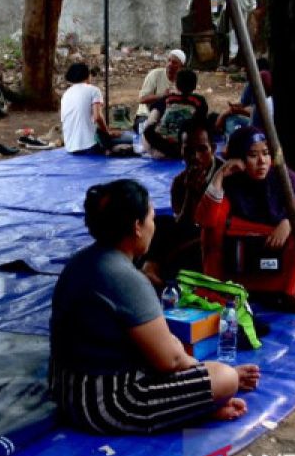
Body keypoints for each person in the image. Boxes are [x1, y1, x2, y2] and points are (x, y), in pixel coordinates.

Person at [50, 179, 259, 433]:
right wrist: (212, 383)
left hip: (65, 390)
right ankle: (201, 408)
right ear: (137, 227)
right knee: (224, 377)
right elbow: (169, 361)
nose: (154, 226)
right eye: (150, 218)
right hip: (104, 405)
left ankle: (201, 402)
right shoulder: (125, 278)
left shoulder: (81, 261)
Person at [196, 125, 295, 315]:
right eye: (252, 155)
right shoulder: (230, 182)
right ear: (239, 158)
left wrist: (292, 223)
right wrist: (219, 176)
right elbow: (206, 221)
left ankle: (287, 295)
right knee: (212, 230)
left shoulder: (286, 178)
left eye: (266, 153)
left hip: (278, 245)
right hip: (240, 253)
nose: (262, 162)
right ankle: (221, 291)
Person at [142, 118, 218, 289]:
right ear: (181, 150)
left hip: (215, 238)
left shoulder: (226, 175)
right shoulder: (180, 182)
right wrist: (191, 193)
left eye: (202, 149)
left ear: (213, 148)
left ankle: (155, 264)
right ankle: (151, 266)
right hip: (190, 234)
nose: (196, 157)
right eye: (189, 150)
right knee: (159, 223)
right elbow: (183, 225)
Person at [142, 69, 208, 160]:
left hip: (164, 144)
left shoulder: (168, 98)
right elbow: (202, 120)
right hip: (185, 145)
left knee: (148, 130)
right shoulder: (200, 100)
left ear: (176, 85)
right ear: (194, 86)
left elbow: (153, 112)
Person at [60, 63, 122, 155]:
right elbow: (97, 117)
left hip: (70, 147)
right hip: (89, 146)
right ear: (87, 75)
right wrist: (107, 132)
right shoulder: (93, 90)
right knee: (126, 138)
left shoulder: (66, 94)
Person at [216, 58, 272, 138]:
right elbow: (243, 104)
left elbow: (257, 115)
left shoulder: (269, 101)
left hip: (261, 130)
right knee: (230, 120)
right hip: (251, 122)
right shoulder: (251, 85)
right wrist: (234, 108)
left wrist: (234, 111)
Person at [136, 49, 186, 122]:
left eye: (174, 63)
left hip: (169, 117)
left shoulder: (183, 80)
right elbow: (142, 99)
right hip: (146, 115)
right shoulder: (155, 74)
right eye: (169, 60)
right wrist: (163, 95)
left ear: (181, 66)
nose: (170, 64)